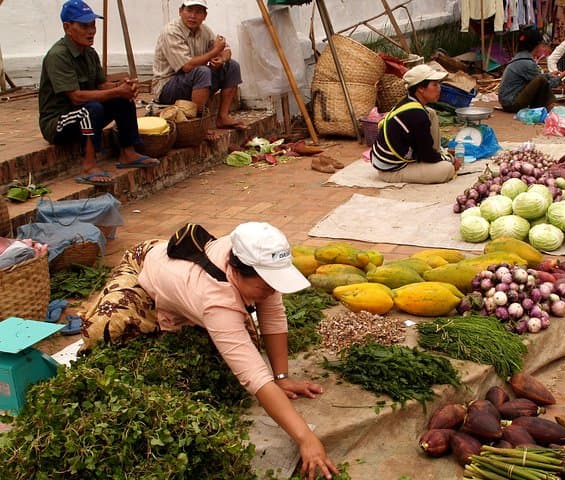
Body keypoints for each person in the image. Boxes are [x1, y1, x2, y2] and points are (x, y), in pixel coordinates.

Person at [80, 222, 338, 479]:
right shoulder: (217, 299)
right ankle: (159, 316)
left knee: (243, 341)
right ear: (237, 271)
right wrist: (306, 438)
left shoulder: (254, 261)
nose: (272, 291)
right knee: (105, 326)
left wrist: (281, 378)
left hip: (183, 279)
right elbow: (255, 376)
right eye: (265, 285)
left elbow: (272, 314)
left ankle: (179, 314)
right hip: (144, 266)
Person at [39, 0, 160, 186]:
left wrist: (123, 87)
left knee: (121, 98)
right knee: (90, 108)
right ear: (67, 27)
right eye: (84, 26)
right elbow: (76, 97)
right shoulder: (58, 55)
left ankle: (128, 152)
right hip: (57, 122)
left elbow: (101, 85)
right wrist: (116, 91)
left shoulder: (90, 53)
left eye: (93, 25)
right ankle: (89, 165)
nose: (91, 31)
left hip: (84, 112)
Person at [152, 0, 245, 131]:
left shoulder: (204, 30)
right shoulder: (171, 31)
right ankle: (197, 126)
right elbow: (187, 66)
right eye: (189, 10)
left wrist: (222, 59)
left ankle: (223, 117)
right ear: (180, 11)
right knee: (202, 72)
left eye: (198, 12)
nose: (193, 16)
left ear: (204, 16)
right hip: (167, 87)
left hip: (191, 80)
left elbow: (225, 48)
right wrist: (214, 51)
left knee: (231, 66)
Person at [371, 64, 461, 184]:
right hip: (391, 170)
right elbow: (426, 155)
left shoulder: (408, 102)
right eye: (434, 84)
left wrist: (438, 155)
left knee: (431, 113)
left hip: (387, 158)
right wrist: (450, 160)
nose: (439, 88)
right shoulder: (417, 116)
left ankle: (437, 154)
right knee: (447, 169)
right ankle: (438, 159)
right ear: (421, 89)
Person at [498, 29, 560, 113]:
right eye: (542, 45)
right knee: (541, 81)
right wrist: (562, 76)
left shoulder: (520, 57)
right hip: (511, 104)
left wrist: (549, 75)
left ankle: (545, 106)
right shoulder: (527, 63)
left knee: (540, 80)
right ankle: (549, 106)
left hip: (507, 101)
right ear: (537, 46)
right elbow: (545, 83)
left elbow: (535, 77)